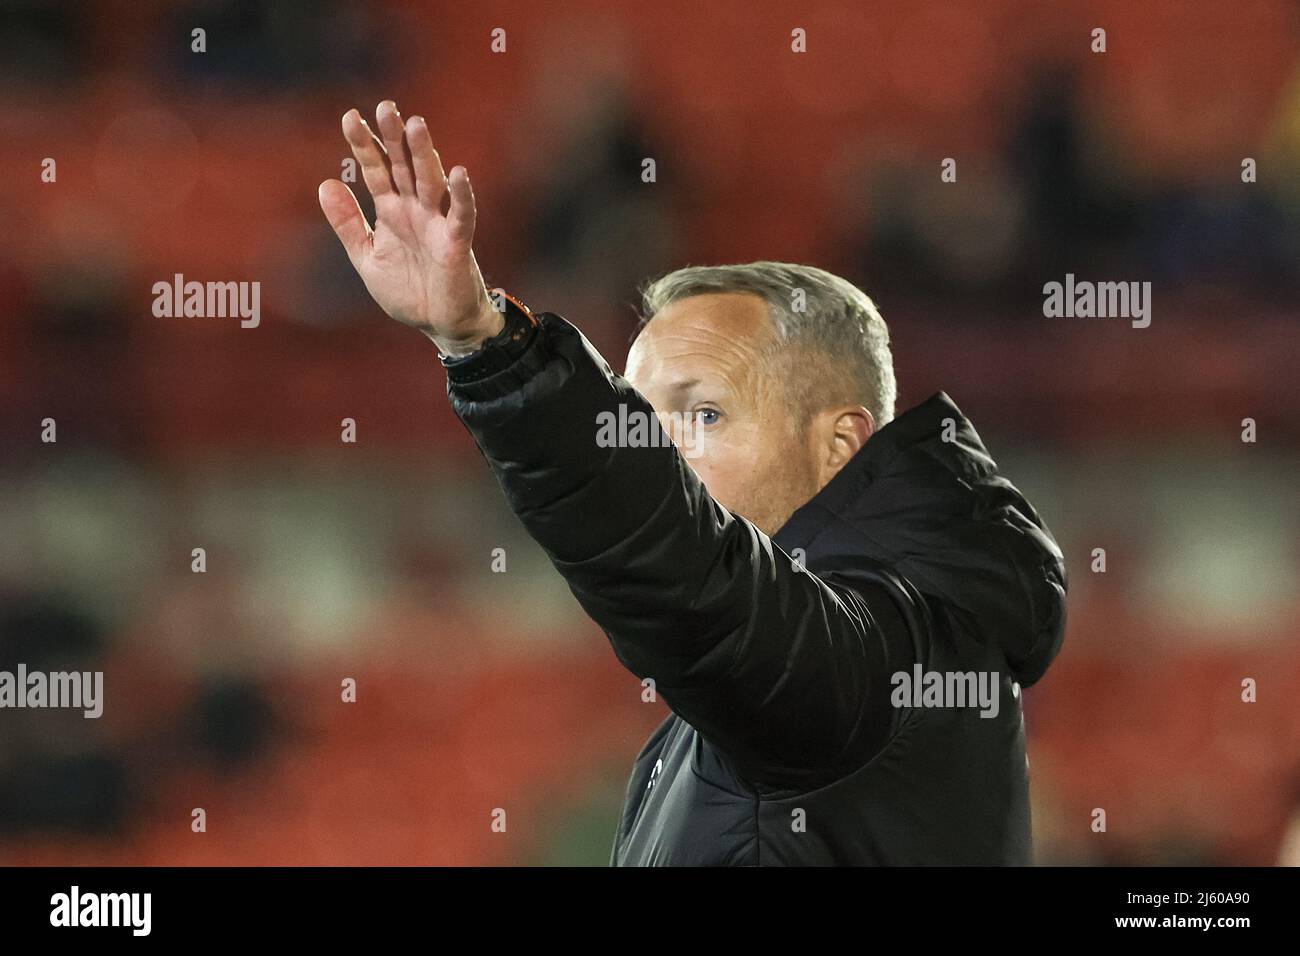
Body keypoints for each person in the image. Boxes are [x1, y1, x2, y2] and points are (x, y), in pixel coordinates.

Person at [318, 101, 1068, 865]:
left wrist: (487, 344)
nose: (655, 452)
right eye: (639, 421)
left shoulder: (882, 658)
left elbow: (692, 581)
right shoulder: (803, 678)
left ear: (841, 443)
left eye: (702, 414)